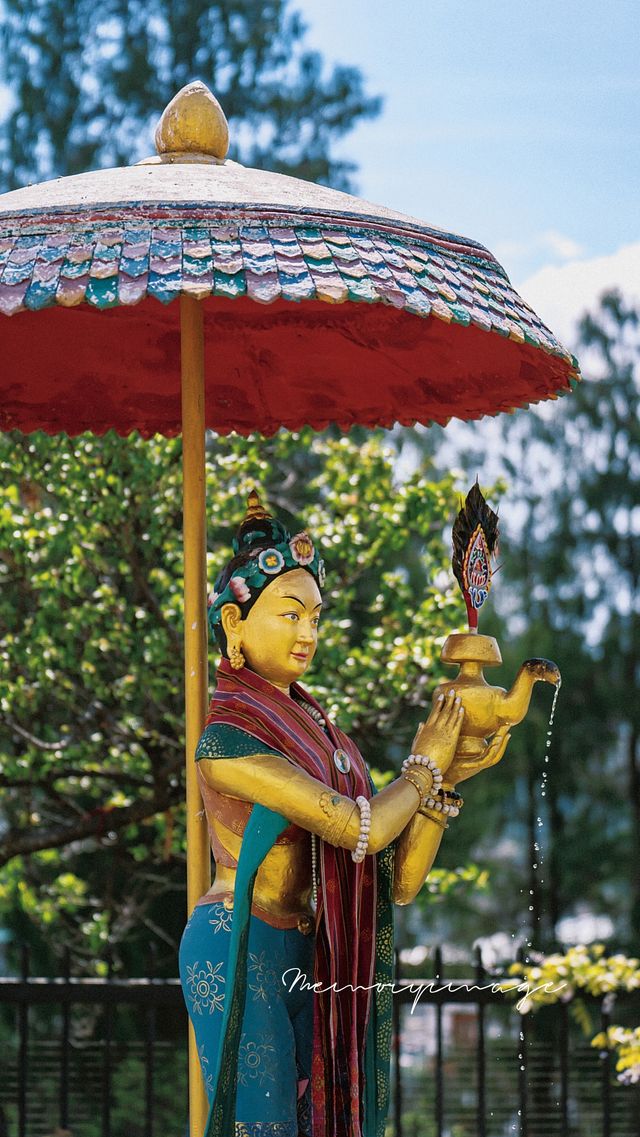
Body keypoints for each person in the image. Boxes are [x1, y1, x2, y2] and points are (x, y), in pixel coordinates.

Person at [179, 491, 484, 1137]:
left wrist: (443, 781)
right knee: (263, 1127)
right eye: (289, 614)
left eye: (315, 615)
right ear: (234, 624)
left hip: (312, 945)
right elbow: (354, 826)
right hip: (239, 943)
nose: (308, 633)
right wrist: (421, 767)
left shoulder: (330, 746)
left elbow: (395, 876)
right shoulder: (228, 741)